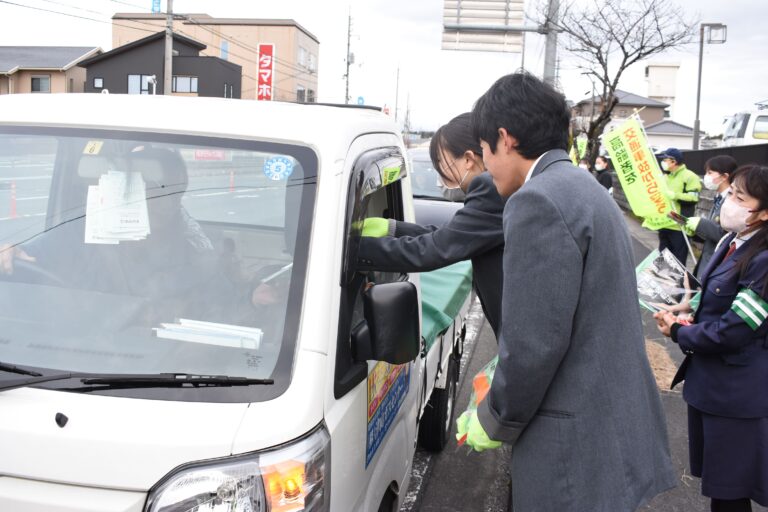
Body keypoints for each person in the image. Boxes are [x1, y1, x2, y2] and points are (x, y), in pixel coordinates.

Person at [463, 71, 675, 511]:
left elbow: (535, 342)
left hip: (574, 442)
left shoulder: (537, 200)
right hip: (610, 424)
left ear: (504, 138)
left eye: (484, 150)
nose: (485, 164)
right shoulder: (581, 185)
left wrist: (495, 416)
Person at [655, 164, 768, 512]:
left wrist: (679, 331)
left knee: (730, 492)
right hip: (713, 386)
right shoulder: (730, 242)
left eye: (740, 197)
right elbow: (714, 302)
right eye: (730, 192)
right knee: (722, 487)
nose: (729, 201)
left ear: (763, 213)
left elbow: (735, 329)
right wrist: (688, 314)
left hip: (735, 395)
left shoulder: (763, 259)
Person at [357, 112, 506, 338]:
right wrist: (393, 228)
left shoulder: (489, 189)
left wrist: (352, 249)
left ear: (468, 159)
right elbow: (449, 235)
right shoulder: (498, 190)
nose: (440, 179)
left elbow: (433, 250)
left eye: (443, 165)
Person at [685, 155, 738, 279]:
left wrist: (701, 224)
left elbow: (726, 235)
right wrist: (696, 232)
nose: (706, 177)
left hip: (717, 265)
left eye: (710, 172)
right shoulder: (718, 198)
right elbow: (712, 231)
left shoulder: (732, 201)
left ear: (724, 176)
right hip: (707, 261)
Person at [658, 147, 702, 265]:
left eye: (665, 160)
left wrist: (675, 195)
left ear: (674, 161)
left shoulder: (689, 176)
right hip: (664, 221)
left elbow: (694, 198)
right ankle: (663, 282)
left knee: (678, 260)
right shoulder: (666, 176)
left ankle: (679, 282)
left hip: (679, 223)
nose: (663, 162)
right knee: (663, 257)